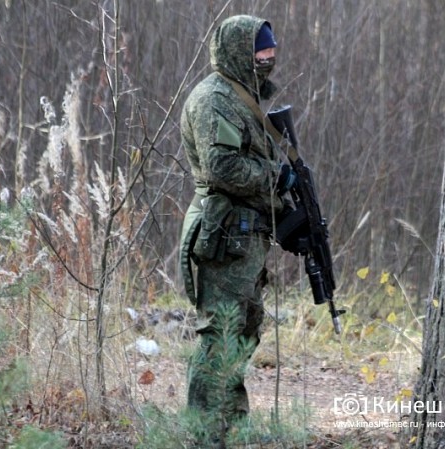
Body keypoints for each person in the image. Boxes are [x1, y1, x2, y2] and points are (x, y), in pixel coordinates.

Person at [179, 14, 296, 434]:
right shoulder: (215, 98)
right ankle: (202, 432)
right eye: (260, 52)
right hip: (225, 236)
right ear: (237, 53)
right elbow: (221, 166)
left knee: (243, 333)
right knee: (219, 336)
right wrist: (274, 178)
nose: (268, 58)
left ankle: (227, 426)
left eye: (271, 51)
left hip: (244, 239)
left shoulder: (240, 95)